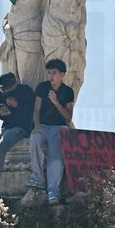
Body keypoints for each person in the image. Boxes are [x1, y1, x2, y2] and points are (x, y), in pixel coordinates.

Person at [28, 58, 75, 204]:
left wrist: (56, 102)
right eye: (49, 73)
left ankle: (53, 193)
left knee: (56, 158)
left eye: (54, 73)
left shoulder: (68, 91)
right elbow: (36, 110)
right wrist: (36, 125)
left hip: (60, 128)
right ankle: (37, 178)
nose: (51, 76)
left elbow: (68, 116)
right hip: (43, 126)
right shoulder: (42, 87)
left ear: (62, 74)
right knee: (34, 139)